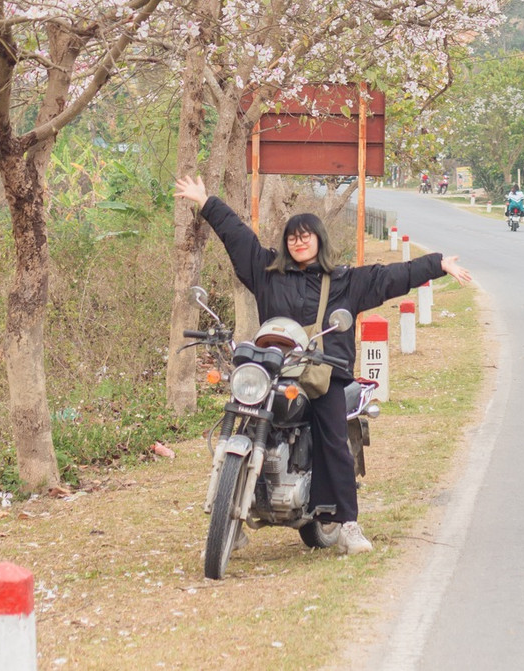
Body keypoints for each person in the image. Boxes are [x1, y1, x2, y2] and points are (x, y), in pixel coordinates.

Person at [174, 175, 472, 556]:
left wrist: (436, 264)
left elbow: (390, 277)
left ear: (319, 240)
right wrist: (206, 202)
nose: (298, 242)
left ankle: (348, 524)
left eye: (306, 236)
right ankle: (231, 518)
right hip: (275, 370)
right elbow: (237, 237)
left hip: (323, 371)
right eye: (292, 237)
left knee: (333, 438)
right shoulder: (268, 273)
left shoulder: (345, 281)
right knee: (243, 418)